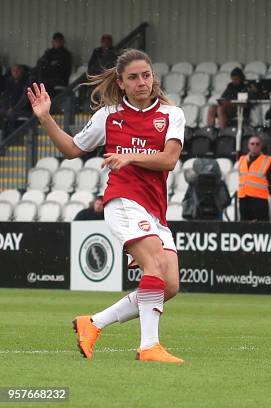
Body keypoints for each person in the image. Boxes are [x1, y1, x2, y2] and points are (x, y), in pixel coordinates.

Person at [27, 49, 185, 363]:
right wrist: (45, 118)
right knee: (153, 266)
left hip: (155, 210)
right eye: (133, 77)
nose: (142, 82)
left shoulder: (171, 114)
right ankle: (149, 347)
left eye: (146, 75)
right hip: (123, 201)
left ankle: (93, 323)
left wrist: (130, 156)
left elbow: (169, 159)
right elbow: (72, 149)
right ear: (121, 83)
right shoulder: (109, 115)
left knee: (169, 285)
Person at [238, 135, 271, 221]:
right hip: (244, 199)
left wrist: (267, 192)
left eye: (257, 144)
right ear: (248, 145)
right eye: (252, 144)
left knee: (261, 228)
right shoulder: (242, 159)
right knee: (244, 227)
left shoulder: (268, 160)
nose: (254, 146)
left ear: (261, 146)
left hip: (259, 200)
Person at [35, 32, 72, 97]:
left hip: (60, 78)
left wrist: (50, 66)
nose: (57, 43)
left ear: (62, 42)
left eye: (59, 41)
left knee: (44, 84)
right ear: (53, 42)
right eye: (56, 41)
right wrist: (50, 65)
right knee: (34, 79)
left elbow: (62, 69)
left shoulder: (66, 54)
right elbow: (40, 63)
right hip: (47, 77)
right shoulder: (49, 52)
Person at [0, 64, 30, 138]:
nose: (15, 72)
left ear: (22, 71)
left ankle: (12, 139)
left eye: (17, 70)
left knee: (10, 115)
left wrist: (13, 109)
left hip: (23, 110)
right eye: (13, 70)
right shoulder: (8, 83)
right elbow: (5, 98)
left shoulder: (27, 82)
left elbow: (24, 100)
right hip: (8, 110)